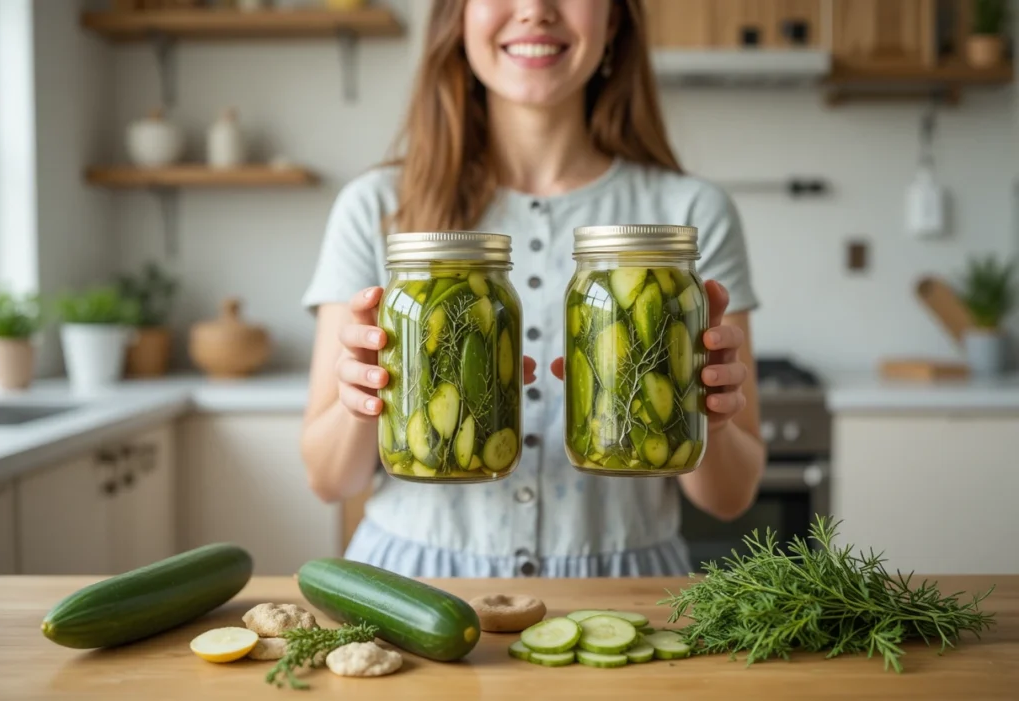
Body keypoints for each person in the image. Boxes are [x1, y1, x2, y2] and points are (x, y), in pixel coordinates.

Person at [300, 0, 766, 578]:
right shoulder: (375, 207)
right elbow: (328, 480)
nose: (535, 10)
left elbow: (731, 497)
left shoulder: (690, 218)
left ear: (614, 20)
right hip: (414, 582)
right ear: (458, 17)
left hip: (628, 585)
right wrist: (363, 399)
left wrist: (706, 421)